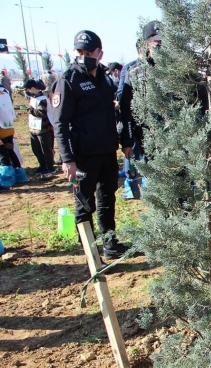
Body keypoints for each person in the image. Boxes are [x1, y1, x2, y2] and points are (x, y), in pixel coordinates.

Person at [53, 30, 130, 260]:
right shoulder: (68, 80)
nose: (83, 56)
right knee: (84, 204)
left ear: (100, 53)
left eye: (89, 52)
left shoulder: (105, 79)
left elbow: (115, 111)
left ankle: (110, 244)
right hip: (83, 155)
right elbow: (60, 123)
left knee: (108, 199)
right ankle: (89, 251)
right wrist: (68, 160)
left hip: (107, 151)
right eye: (79, 52)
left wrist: (124, 142)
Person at [119, 21, 162, 164]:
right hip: (147, 139)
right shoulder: (134, 73)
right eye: (157, 42)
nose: (161, 46)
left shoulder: (178, 71)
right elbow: (126, 109)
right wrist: (127, 141)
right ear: (146, 44)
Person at [24, 79, 56, 175]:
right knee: (36, 149)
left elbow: (42, 113)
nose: (27, 92)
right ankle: (42, 165)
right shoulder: (33, 98)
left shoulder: (42, 99)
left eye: (27, 89)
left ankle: (50, 167)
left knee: (46, 149)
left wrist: (30, 110)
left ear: (33, 88)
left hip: (43, 129)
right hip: (33, 129)